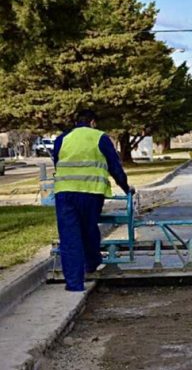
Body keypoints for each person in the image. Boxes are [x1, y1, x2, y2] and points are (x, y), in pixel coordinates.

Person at [53, 109, 133, 292]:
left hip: (64, 194)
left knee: (69, 237)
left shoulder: (62, 139)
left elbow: (57, 163)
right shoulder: (100, 138)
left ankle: (74, 284)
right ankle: (91, 263)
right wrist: (126, 188)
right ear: (93, 122)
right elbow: (115, 167)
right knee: (88, 229)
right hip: (91, 193)